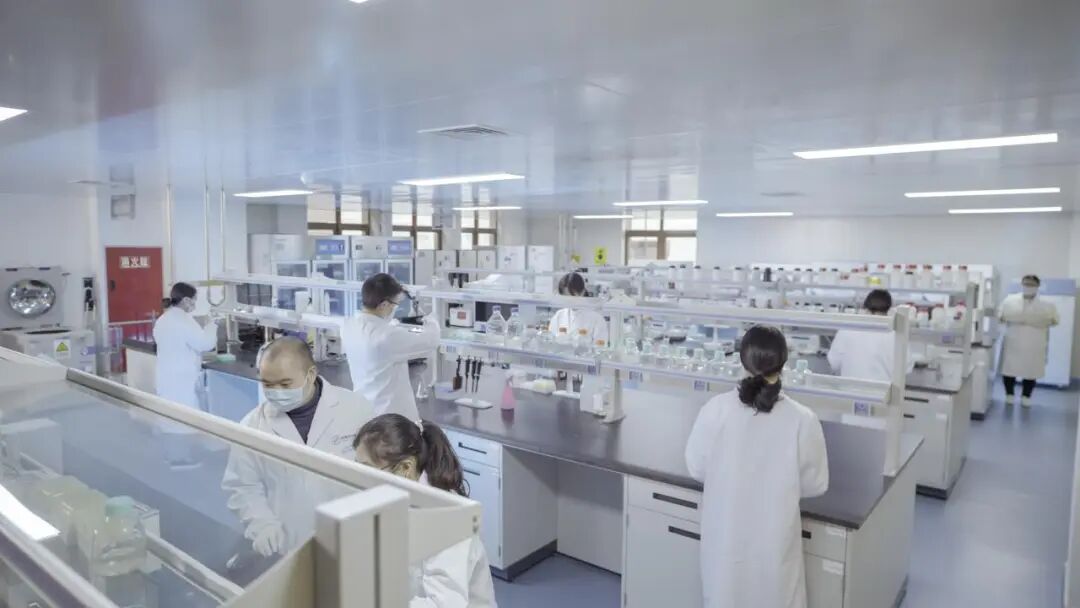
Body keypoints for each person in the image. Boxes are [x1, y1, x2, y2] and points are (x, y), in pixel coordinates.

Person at [685, 325, 829, 608]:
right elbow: (815, 484)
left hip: (726, 538)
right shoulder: (803, 419)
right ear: (784, 363)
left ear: (741, 359)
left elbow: (697, 468)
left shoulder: (716, 409)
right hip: (775, 540)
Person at [222, 337, 376, 556]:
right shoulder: (252, 426)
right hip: (289, 543)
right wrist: (262, 524)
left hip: (352, 537)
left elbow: (379, 471)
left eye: (285, 384)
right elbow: (243, 485)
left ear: (310, 375)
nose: (276, 392)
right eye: (267, 384)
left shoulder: (356, 409)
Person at [354, 414, 497, 608]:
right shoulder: (393, 498)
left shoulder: (446, 518)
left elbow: (444, 604)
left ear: (406, 467)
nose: (358, 479)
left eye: (366, 470)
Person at [341, 273, 441, 420]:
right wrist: (429, 320)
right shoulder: (386, 336)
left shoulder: (348, 326)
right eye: (395, 304)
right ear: (384, 305)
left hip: (365, 410)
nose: (395, 309)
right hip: (390, 414)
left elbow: (386, 331)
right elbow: (432, 339)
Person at [152, 282, 218, 410]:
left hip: (165, 377)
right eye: (194, 300)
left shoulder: (163, 319)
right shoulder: (184, 320)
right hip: (182, 380)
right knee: (186, 415)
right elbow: (205, 344)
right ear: (186, 300)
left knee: (169, 414)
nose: (194, 304)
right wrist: (212, 325)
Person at [999, 274, 1060, 407]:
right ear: (1022, 285)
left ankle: (1026, 396)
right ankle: (1009, 394)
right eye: (1026, 284)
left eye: (1032, 285)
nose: (1029, 287)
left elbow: (1055, 320)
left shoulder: (1047, 304)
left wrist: (1024, 318)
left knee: (1031, 370)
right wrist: (1028, 319)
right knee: (1009, 368)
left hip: (1035, 342)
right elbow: (1001, 316)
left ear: (1038, 286)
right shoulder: (1010, 300)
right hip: (1014, 341)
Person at [827, 289, 913, 382]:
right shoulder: (896, 335)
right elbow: (906, 368)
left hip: (850, 389)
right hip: (883, 390)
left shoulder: (847, 329)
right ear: (889, 310)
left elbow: (833, 363)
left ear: (865, 307)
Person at [547, 272, 610, 344]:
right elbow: (550, 342)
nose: (568, 300)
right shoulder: (559, 315)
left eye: (572, 295)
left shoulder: (596, 319)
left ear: (582, 292)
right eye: (565, 296)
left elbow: (600, 347)